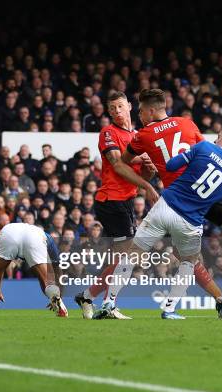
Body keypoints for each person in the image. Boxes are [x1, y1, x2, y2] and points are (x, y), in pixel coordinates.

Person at [100, 126, 222, 320]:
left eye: (218, 137)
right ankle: (169, 309)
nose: (215, 141)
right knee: (188, 263)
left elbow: (171, 166)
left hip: (165, 207)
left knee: (133, 255)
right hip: (191, 221)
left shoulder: (203, 148)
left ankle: (109, 303)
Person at [73, 91, 156, 319]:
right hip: (112, 200)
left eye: (120, 106)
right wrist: (143, 159)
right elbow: (117, 162)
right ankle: (108, 304)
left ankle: (88, 296)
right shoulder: (108, 132)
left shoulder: (139, 136)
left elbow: (141, 179)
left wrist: (150, 168)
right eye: (112, 109)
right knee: (130, 257)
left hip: (125, 202)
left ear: (129, 106)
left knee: (122, 259)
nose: (117, 112)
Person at [0, 222, 67, 318]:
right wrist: (59, 297)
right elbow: (58, 271)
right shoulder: (48, 239)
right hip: (34, 238)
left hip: (10, 232)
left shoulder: (14, 230)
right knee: (45, 281)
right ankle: (55, 298)